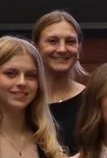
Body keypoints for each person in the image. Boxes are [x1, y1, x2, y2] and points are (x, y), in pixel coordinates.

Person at [34, 10, 88, 146]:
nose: (62, 49)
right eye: (53, 41)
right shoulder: (23, 99)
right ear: (36, 46)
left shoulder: (92, 101)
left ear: (79, 48)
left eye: (70, 41)